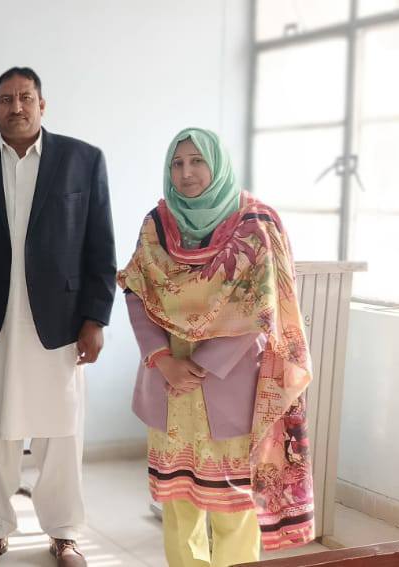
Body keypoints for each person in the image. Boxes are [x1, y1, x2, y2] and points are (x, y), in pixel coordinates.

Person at [0, 66, 116, 567]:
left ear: (42, 104)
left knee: (61, 433)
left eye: (25, 97)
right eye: (5, 99)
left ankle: (64, 533)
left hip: (60, 324)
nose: (16, 107)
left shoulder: (84, 160)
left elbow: (100, 244)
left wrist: (96, 318)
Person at [118, 127, 315, 566]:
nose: (186, 173)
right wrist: (163, 359)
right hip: (168, 379)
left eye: (197, 161)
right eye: (177, 163)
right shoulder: (157, 224)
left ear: (218, 164)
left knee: (233, 506)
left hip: (231, 380)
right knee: (178, 504)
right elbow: (136, 290)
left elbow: (261, 305)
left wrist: (204, 364)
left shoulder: (255, 224)